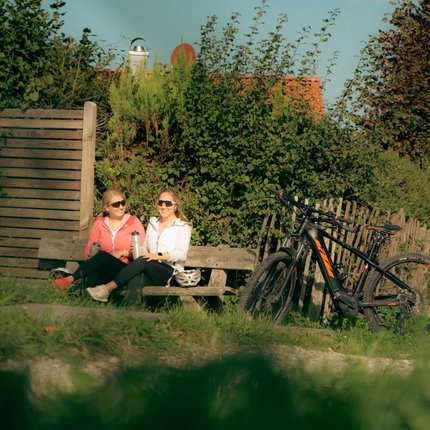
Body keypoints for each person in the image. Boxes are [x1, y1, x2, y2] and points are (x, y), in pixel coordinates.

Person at [86, 188, 192, 303]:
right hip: (150, 268)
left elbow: (181, 254)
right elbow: (145, 248)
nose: (164, 206)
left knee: (145, 260)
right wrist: (134, 250)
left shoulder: (183, 226)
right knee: (135, 278)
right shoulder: (153, 223)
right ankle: (130, 312)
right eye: (161, 202)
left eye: (168, 203)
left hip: (171, 272)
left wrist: (158, 256)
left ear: (175, 206)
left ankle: (106, 288)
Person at [51, 189, 145, 292]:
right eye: (116, 204)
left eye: (123, 203)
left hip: (126, 269)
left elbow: (142, 250)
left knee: (102, 256)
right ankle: (77, 297)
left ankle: (68, 280)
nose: (121, 207)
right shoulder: (99, 224)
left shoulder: (133, 222)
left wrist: (124, 253)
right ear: (106, 207)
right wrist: (100, 257)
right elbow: (89, 250)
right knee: (95, 272)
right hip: (103, 268)